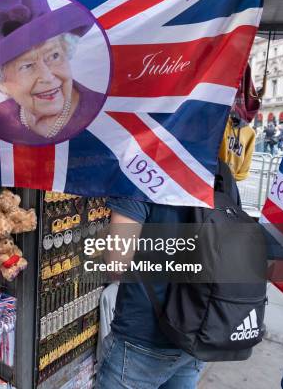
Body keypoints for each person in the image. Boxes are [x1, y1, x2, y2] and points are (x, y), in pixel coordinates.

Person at [96, 163, 241, 389]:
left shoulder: (140, 168)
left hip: (143, 337)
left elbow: (117, 262)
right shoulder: (220, 171)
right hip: (198, 332)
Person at [0, 0, 106, 145]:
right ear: (0, 84)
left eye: (54, 56)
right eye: (27, 66)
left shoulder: (110, 114)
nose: (47, 76)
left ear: (66, 51)